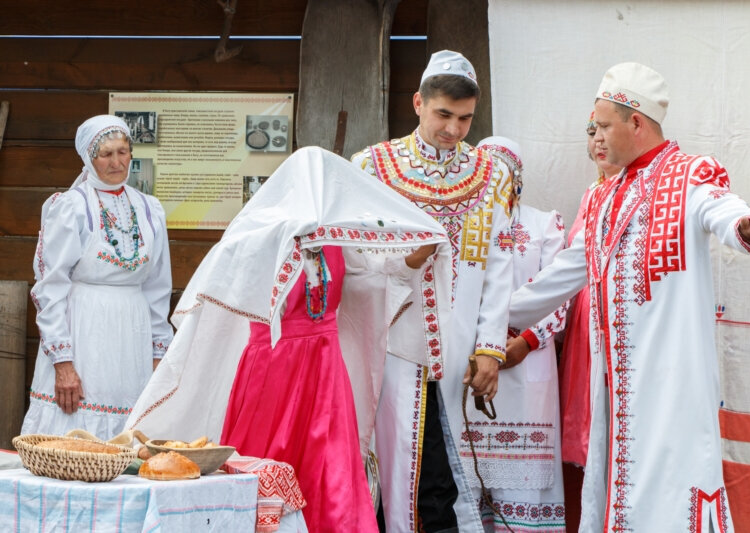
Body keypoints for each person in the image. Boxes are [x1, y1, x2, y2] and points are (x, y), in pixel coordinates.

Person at [508, 62, 750, 532]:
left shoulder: (688, 175)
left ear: (635, 122)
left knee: (675, 494)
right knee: (617, 492)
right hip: (613, 390)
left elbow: (720, 207)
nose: (595, 134)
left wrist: (746, 229)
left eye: (603, 124)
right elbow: (562, 276)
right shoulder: (601, 197)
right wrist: (491, 315)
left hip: (672, 385)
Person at [126, 146, 455, 532]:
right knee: (267, 451)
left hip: (324, 364)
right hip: (273, 365)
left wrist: (420, 250)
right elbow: (228, 283)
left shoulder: (336, 237)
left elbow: (373, 277)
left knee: (329, 461)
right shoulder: (260, 234)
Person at [352, 50, 514, 533]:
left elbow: (498, 266)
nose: (454, 129)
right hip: (391, 340)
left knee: (444, 478)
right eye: (444, 114)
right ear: (418, 103)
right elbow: (353, 258)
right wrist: (403, 263)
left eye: (465, 118)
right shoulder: (371, 166)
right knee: (386, 462)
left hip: (459, 342)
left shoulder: (492, 174)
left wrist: (490, 348)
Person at [22, 114, 173, 441]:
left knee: (131, 433)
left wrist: (159, 353)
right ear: (89, 158)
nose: (117, 162)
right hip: (84, 330)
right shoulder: (71, 207)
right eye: (106, 154)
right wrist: (62, 362)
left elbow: (158, 287)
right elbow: (51, 288)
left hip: (132, 334)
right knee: (75, 425)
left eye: (123, 151)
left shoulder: (149, 209)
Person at [474, 136, 569, 531]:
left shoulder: (543, 223)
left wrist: (525, 342)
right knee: (472, 473)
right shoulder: (465, 229)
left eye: (502, 173)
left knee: (525, 485)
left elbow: (561, 294)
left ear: (516, 177)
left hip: (527, 362)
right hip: (475, 365)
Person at [559, 112, 623, 470]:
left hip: (616, 312)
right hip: (586, 315)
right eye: (591, 131)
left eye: (605, 130)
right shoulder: (592, 194)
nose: (598, 140)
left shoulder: (638, 193)